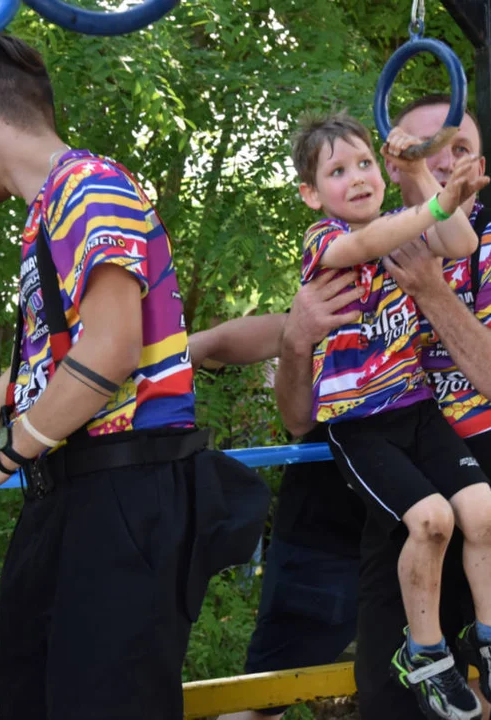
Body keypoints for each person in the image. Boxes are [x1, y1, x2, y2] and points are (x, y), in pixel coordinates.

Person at [0, 35, 269, 720]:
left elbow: (113, 349)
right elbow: (31, 371)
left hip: (125, 489)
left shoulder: (91, 188)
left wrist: (3, 459)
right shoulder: (47, 212)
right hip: (67, 490)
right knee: (31, 693)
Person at [276, 96, 491, 720]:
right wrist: (286, 337)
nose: (438, 163)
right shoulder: (356, 240)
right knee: (392, 702)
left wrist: (426, 212)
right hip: (398, 463)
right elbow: (292, 375)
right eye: (417, 150)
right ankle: (425, 653)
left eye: (454, 151)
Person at [189, 274, 367, 720]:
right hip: (322, 539)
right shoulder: (336, 308)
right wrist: (143, 361)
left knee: (463, 685)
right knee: (262, 703)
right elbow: (218, 344)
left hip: (423, 533)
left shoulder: (452, 297)